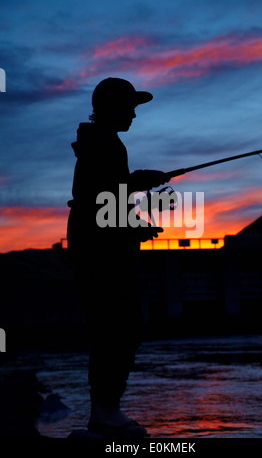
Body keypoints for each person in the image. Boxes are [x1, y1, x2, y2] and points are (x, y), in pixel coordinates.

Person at [67, 77, 169, 438]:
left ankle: (105, 412)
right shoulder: (107, 145)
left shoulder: (100, 143)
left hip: (95, 249)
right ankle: (106, 412)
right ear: (110, 108)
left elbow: (105, 197)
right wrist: (137, 186)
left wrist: (136, 217)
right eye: (129, 107)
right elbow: (102, 201)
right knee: (120, 330)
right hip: (103, 256)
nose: (134, 115)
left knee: (113, 331)